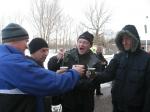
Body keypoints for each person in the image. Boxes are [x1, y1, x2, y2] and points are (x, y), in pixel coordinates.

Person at [0, 23, 85, 112]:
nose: (26, 46)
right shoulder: (13, 63)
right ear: (15, 40)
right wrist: (75, 73)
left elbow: (35, 81)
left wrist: (55, 75)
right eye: (26, 41)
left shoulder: (5, 60)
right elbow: (52, 84)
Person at [94, 25, 150, 112]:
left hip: (136, 108)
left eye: (127, 39)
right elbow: (107, 74)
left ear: (135, 39)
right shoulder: (118, 57)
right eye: (122, 39)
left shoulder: (146, 59)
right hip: (118, 106)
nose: (124, 42)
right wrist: (91, 74)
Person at [48, 31, 102, 112]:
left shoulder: (95, 61)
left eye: (85, 42)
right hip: (67, 101)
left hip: (85, 103)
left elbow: (93, 84)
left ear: (90, 45)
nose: (81, 44)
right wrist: (56, 58)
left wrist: (70, 80)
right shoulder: (68, 55)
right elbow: (52, 68)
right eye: (79, 42)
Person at [28, 37, 52, 112]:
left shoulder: (40, 65)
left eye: (47, 51)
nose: (46, 54)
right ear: (33, 51)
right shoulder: (29, 68)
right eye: (43, 51)